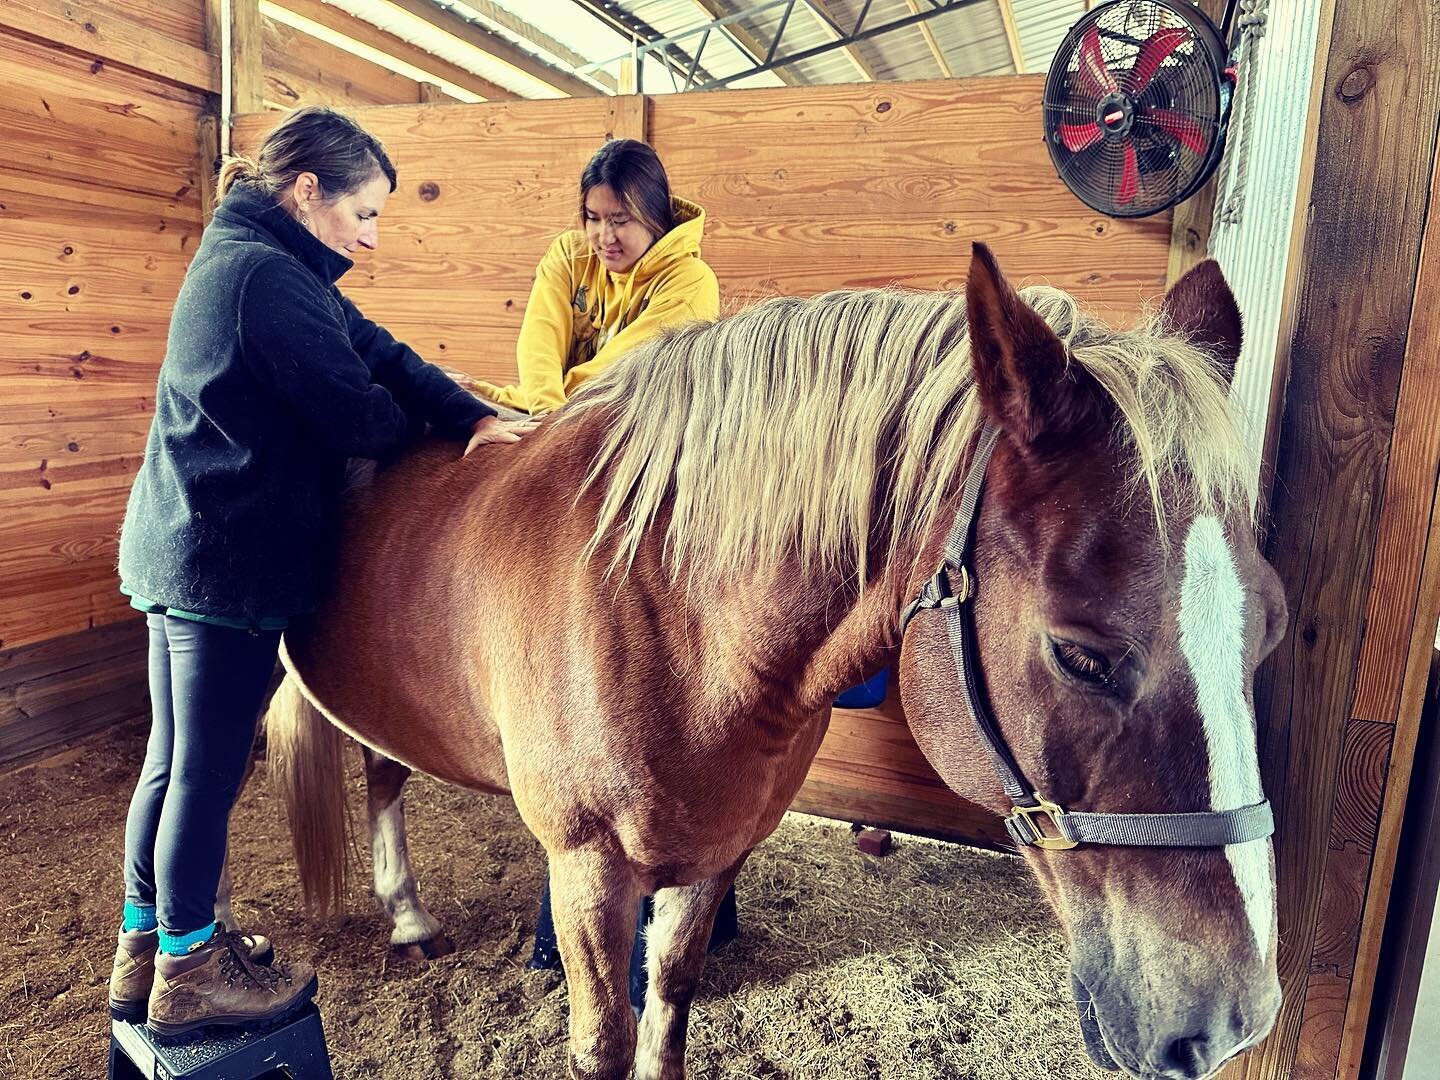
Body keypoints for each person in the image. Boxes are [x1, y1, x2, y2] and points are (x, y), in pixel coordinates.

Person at [109, 106, 535, 1036]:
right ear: (309, 192)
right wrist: (431, 434)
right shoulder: (264, 278)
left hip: (181, 546)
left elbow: (379, 351)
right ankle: (188, 968)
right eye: (366, 214)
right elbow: (361, 418)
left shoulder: (263, 257)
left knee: (170, 766)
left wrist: (466, 412)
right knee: (203, 776)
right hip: (227, 563)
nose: (372, 238)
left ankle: (144, 946)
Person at [473, 138, 719, 415]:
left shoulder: (690, 281)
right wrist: (541, 410)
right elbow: (539, 342)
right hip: (547, 413)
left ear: (656, 217)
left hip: (621, 425)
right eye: (593, 217)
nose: (604, 237)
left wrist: (549, 420)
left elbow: (617, 377)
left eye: (620, 220)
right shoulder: (569, 253)